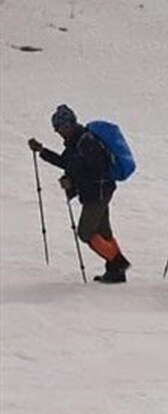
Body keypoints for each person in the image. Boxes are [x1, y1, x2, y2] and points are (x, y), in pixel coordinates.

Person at [28, 104, 131, 283]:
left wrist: (72, 182)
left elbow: (98, 169)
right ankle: (116, 272)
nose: (59, 132)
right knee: (103, 231)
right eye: (57, 130)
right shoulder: (76, 142)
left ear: (70, 124)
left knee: (85, 232)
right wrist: (42, 151)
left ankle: (118, 264)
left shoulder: (87, 141)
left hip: (98, 192)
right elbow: (66, 163)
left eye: (61, 128)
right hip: (96, 191)